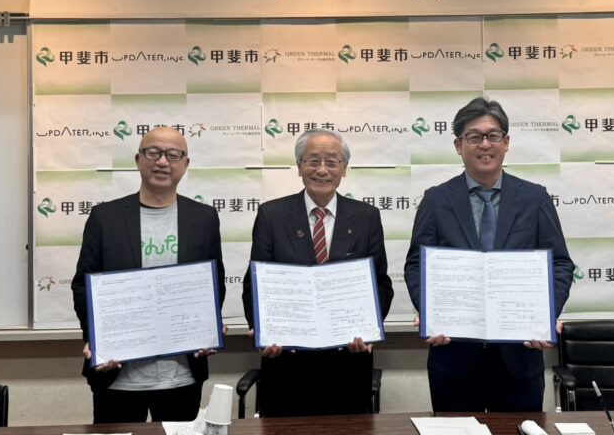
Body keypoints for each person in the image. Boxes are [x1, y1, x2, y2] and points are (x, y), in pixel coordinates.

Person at [404, 97, 574, 413]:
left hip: (519, 357)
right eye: (474, 136)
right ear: (458, 145)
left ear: (506, 142)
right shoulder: (436, 200)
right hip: (453, 356)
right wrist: (429, 311)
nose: (485, 144)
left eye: (493, 135)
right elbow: (416, 265)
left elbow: (560, 264)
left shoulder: (534, 198)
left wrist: (545, 314)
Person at [71, 126, 226, 423]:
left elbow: (214, 282)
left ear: (185, 164)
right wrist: (98, 338)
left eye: (173, 154)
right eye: (153, 152)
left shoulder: (204, 218)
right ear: (138, 159)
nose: (162, 161)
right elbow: (83, 285)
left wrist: (207, 326)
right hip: (117, 374)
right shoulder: (105, 218)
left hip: (181, 375)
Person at [241, 128, 394, 416]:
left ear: (344, 168)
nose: (322, 170)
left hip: (348, 362)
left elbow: (381, 284)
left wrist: (368, 328)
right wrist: (264, 331)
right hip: (286, 362)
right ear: (299, 166)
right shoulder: (272, 215)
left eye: (332, 162)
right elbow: (254, 284)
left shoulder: (366, 217)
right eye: (312, 161)